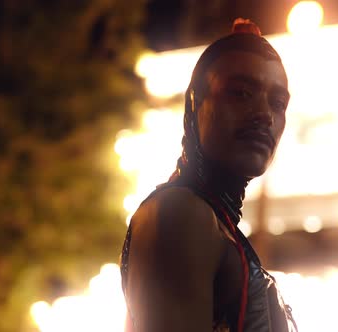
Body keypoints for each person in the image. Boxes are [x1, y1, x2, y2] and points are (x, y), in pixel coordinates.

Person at [121, 18, 297, 332]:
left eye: (278, 103)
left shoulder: (210, 221)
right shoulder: (179, 212)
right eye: (241, 93)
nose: (265, 115)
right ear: (195, 106)